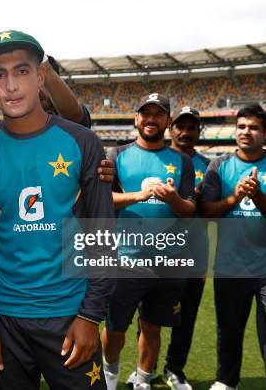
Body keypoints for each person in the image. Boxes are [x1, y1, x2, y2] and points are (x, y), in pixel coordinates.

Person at [0, 30, 114, 390]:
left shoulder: (82, 142)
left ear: (40, 76)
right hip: (5, 321)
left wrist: (90, 316)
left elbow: (104, 237)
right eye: (0, 75)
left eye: (21, 71)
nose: (11, 85)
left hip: (71, 314)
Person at [101, 93, 196, 390]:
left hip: (167, 263)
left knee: (152, 327)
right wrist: (137, 196)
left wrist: (174, 199)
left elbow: (189, 211)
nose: (151, 119)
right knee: (115, 328)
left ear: (168, 121)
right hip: (125, 259)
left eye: (158, 114)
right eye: (146, 113)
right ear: (136, 118)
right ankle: (109, 376)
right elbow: (104, 200)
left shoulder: (182, 161)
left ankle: (143, 381)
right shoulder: (117, 155)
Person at [201, 103, 266, 390]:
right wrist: (234, 199)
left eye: (253, 127)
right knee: (228, 330)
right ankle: (227, 382)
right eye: (241, 126)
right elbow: (207, 211)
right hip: (230, 266)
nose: (246, 132)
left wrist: (256, 197)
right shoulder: (218, 166)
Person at [161, 106, 210, 390]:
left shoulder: (209, 166)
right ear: (171, 128)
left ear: (198, 131)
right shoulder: (156, 158)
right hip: (156, 251)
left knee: (186, 317)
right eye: (180, 126)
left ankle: (174, 368)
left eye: (192, 127)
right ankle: (147, 366)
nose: (185, 132)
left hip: (193, 252)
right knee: (149, 317)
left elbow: (213, 209)